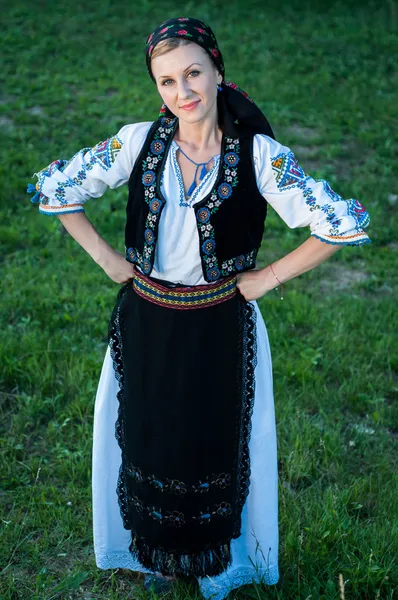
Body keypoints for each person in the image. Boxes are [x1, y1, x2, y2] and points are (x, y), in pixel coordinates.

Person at [27, 16, 371, 600]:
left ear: (217, 72)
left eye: (192, 74)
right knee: (152, 436)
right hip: (148, 319)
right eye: (166, 82)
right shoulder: (137, 142)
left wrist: (268, 277)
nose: (182, 93)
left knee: (216, 441)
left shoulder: (259, 155)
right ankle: (160, 552)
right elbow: (55, 187)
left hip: (221, 322)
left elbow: (343, 222)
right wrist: (109, 258)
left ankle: (219, 560)